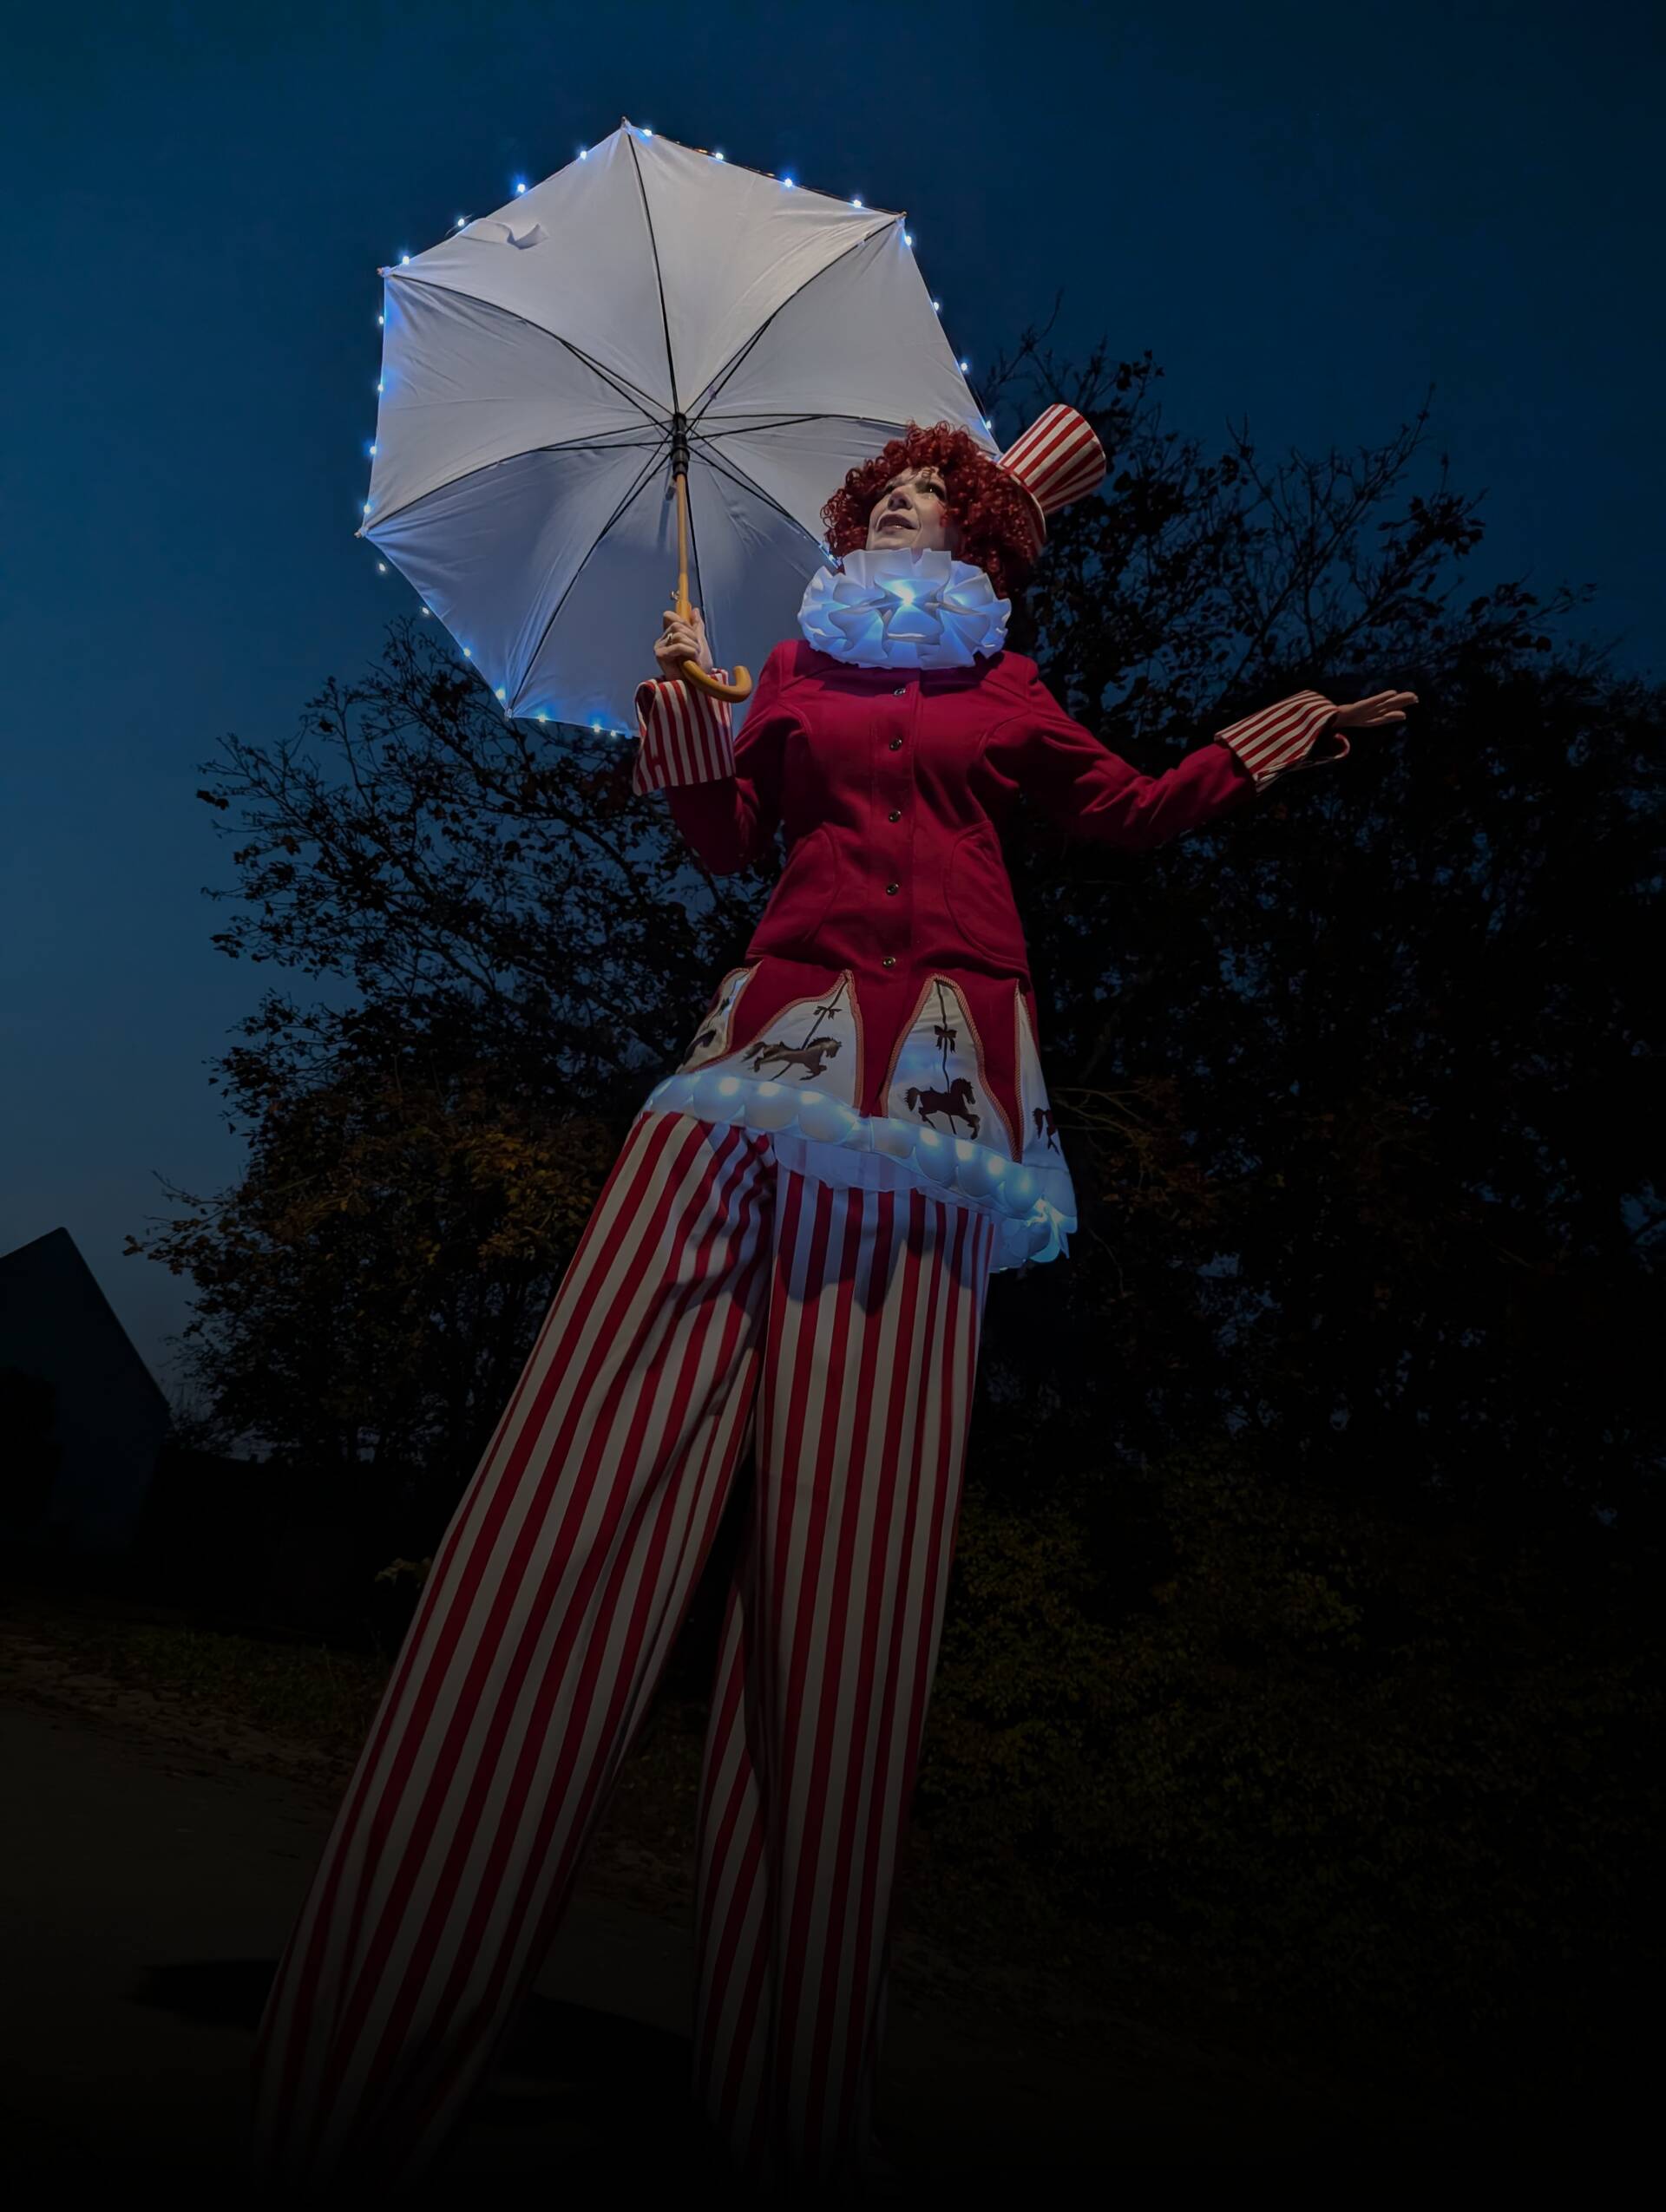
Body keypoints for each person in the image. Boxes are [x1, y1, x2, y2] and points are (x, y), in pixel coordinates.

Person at [247, 405, 1416, 2202]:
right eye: (889, 494)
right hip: (759, 1059)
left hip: (934, 1100)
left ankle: (788, 2116)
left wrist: (1284, 737)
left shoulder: (1004, 693)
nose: (904, 509)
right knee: (568, 1494)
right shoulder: (791, 664)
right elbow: (728, 842)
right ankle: (352, 2075)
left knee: (845, 1590)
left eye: (937, 497)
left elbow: (1126, 813)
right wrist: (684, 711)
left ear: (983, 547)